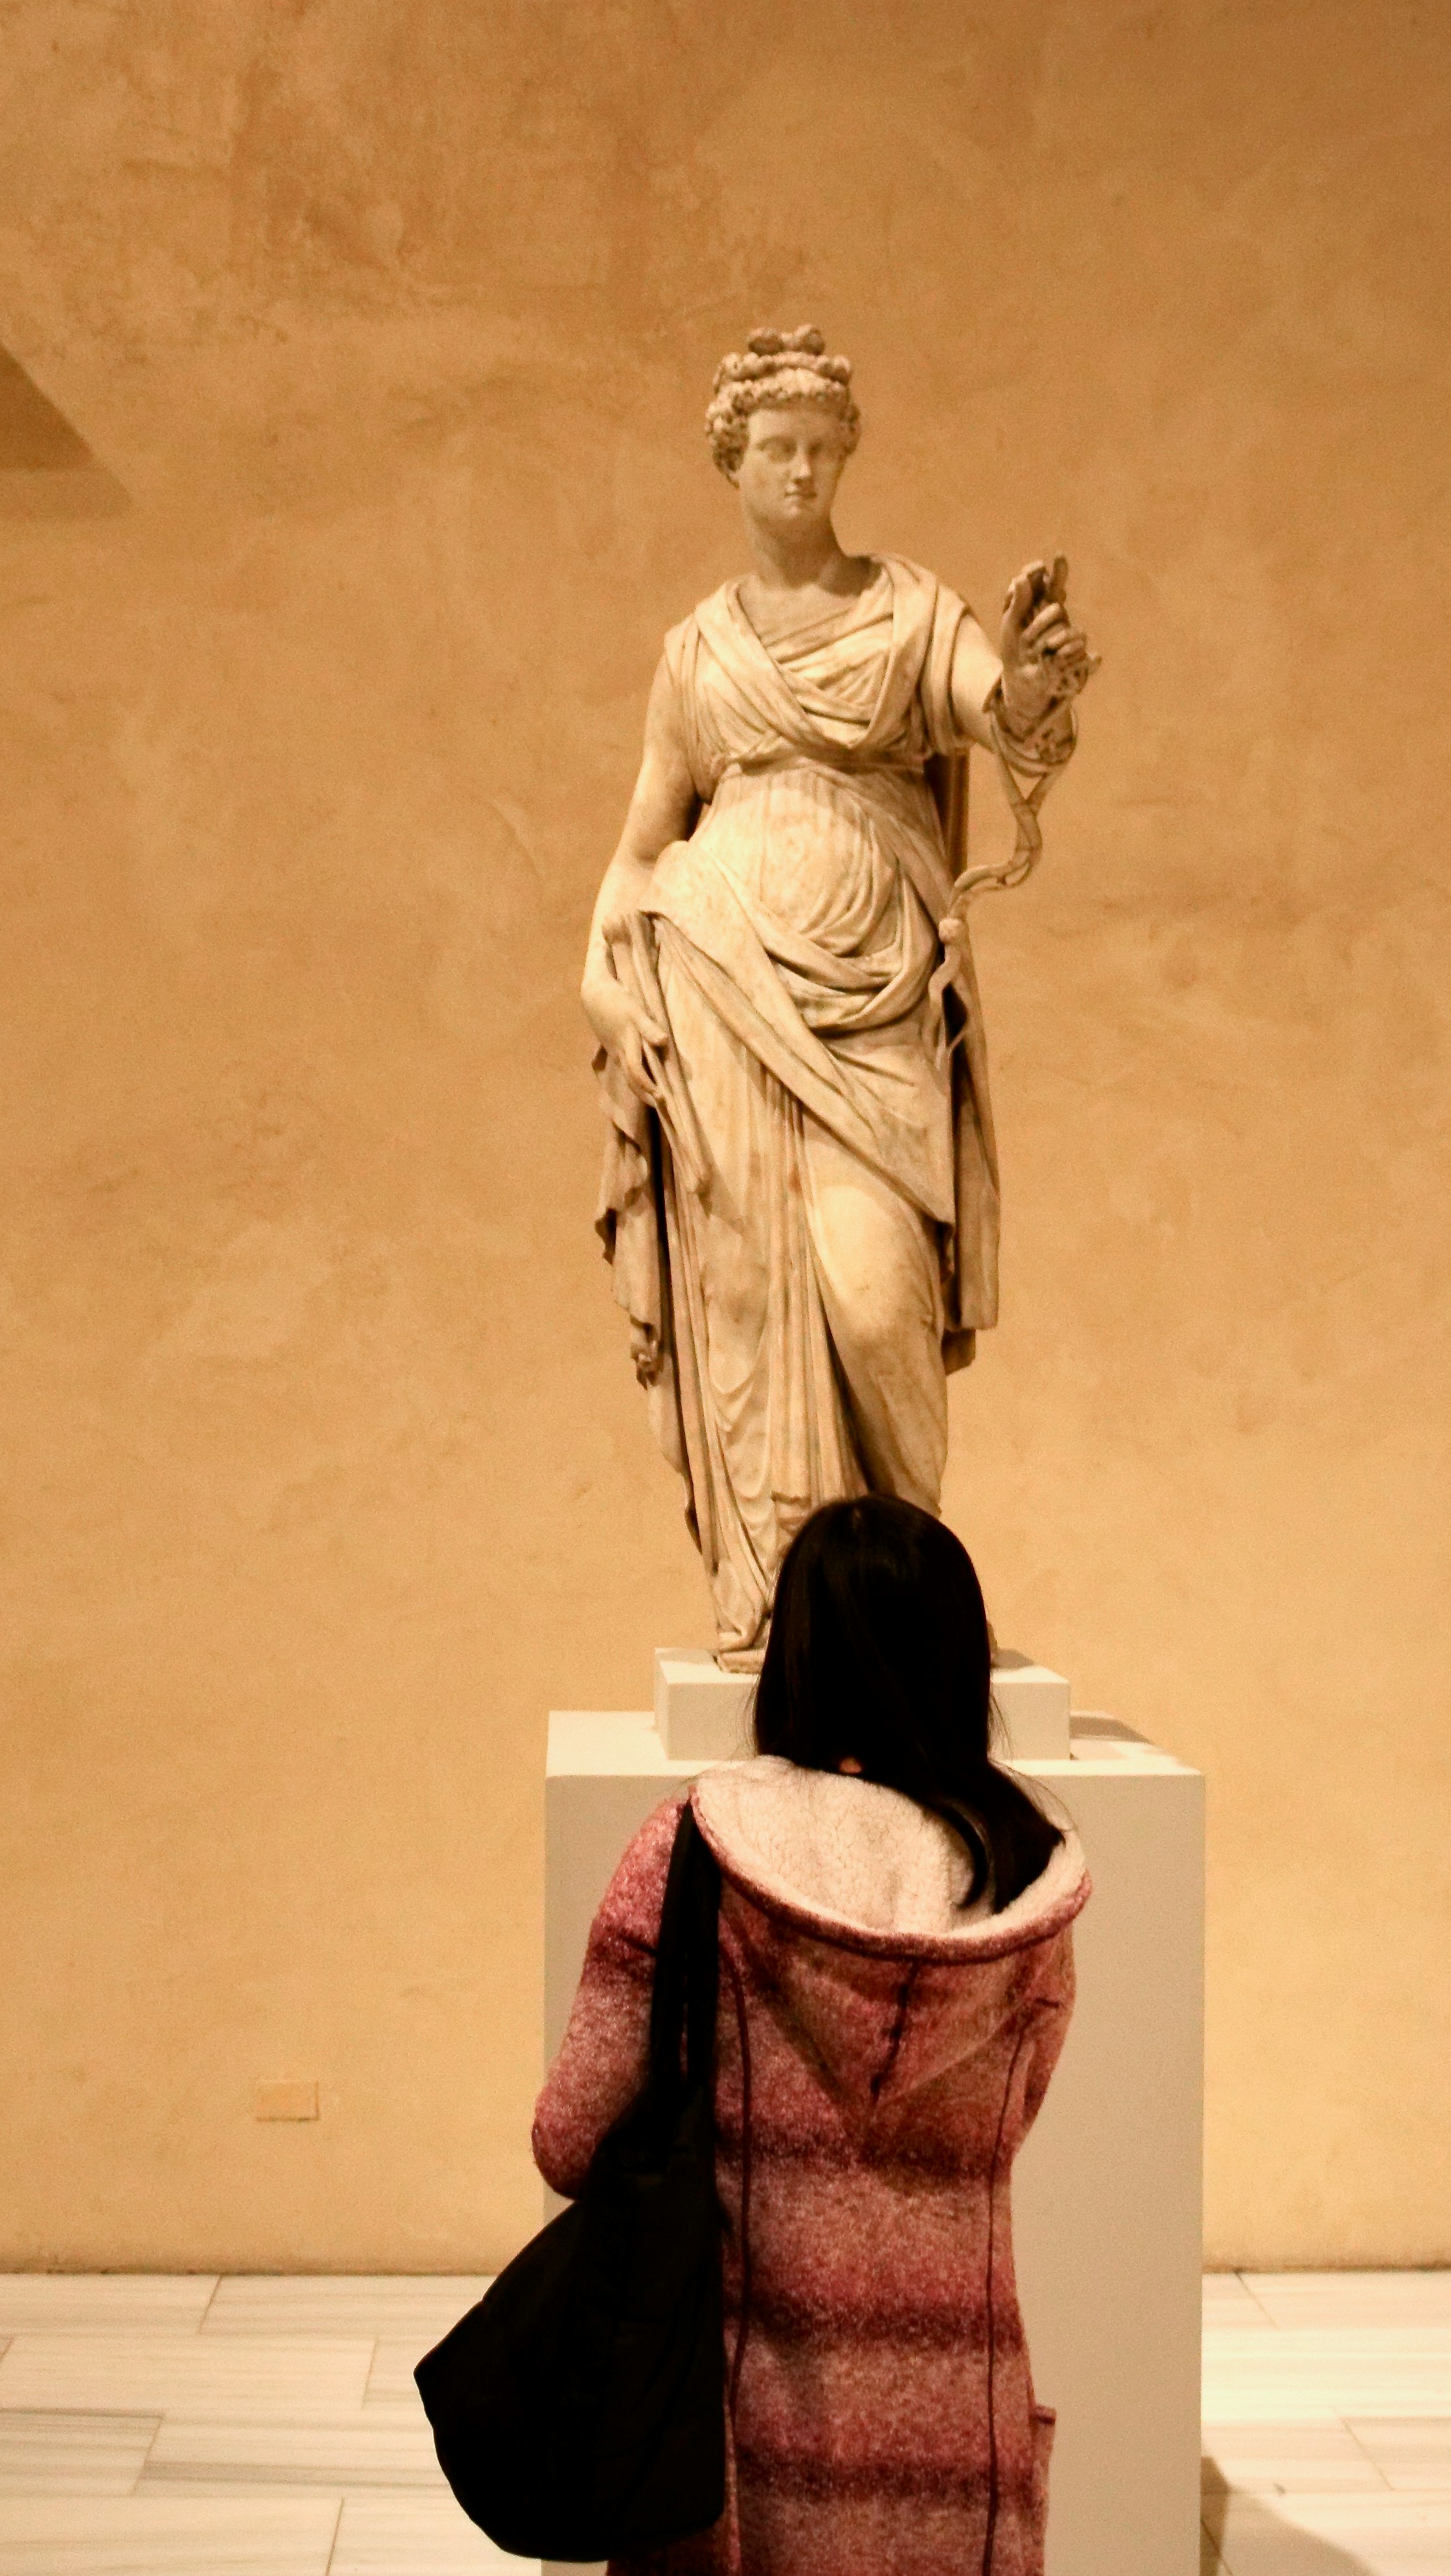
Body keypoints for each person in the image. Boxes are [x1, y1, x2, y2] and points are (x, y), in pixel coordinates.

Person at [582, 328, 1096, 1667]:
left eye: (820, 447)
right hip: (718, 981)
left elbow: (1000, 713)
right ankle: (773, 1594)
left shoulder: (910, 612)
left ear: (846, 455)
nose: (801, 470)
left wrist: (1032, 681)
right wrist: (601, 984)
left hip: (874, 996)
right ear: (733, 463)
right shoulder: (697, 653)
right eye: (775, 449)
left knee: (874, 1300)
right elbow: (638, 851)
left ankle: (913, 1598)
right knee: (750, 1297)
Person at [534, 1496, 1088, 2576]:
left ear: (792, 1653)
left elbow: (569, 2139)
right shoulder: (1026, 1880)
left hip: (734, 2456)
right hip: (959, 2450)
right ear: (963, 1661)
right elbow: (1012, 2122)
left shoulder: (696, 1851)